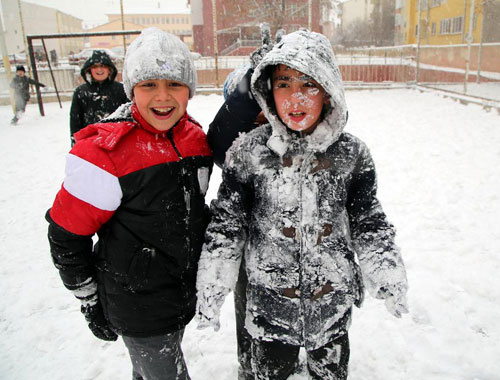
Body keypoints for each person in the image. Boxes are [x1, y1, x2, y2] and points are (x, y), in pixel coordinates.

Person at [196, 29, 409, 379]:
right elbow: (226, 226)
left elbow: (369, 220)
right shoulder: (249, 153)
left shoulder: (351, 155)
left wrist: (386, 271)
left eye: (309, 84)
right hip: (269, 308)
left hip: (331, 307)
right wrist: (214, 283)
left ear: (328, 91)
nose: (296, 98)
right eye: (284, 83)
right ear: (268, 90)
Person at [46, 27, 212, 380]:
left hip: (180, 293)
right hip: (137, 303)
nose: (163, 97)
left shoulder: (195, 139)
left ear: (190, 90)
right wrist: (89, 298)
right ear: (131, 89)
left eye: (175, 84)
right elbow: (66, 234)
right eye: (149, 85)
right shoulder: (104, 153)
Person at [69, 50, 128, 146]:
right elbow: (75, 120)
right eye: (95, 67)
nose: (99, 70)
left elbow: (129, 117)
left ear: (109, 69)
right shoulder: (81, 92)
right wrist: (75, 142)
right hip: (90, 143)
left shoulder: (121, 90)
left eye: (103, 66)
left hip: (117, 142)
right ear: (89, 70)